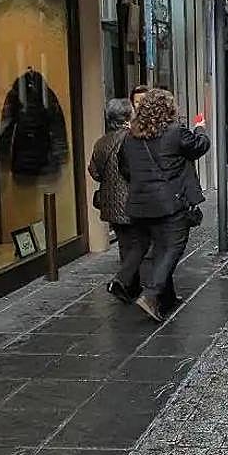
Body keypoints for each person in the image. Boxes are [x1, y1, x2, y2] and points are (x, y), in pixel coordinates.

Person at [119, 88, 210, 323]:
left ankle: (165, 298)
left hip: (140, 203)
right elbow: (200, 146)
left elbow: (125, 169)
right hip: (169, 203)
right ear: (168, 109)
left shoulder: (130, 136)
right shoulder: (175, 132)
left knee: (158, 248)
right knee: (172, 247)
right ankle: (150, 295)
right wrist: (200, 126)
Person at [89, 98, 146, 304]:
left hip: (111, 203)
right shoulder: (132, 138)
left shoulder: (101, 142)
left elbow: (94, 172)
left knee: (124, 244)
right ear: (127, 116)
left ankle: (131, 286)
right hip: (131, 199)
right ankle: (124, 282)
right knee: (140, 241)